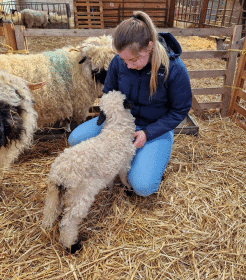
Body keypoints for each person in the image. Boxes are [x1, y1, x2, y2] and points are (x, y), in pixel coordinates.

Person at [68, 11, 192, 197]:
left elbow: (180, 110)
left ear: (149, 47)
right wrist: (108, 122)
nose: (128, 65)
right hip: (121, 121)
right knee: (75, 140)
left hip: (154, 128)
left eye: (133, 60)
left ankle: (143, 157)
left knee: (143, 187)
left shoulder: (174, 69)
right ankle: (124, 156)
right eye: (124, 59)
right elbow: (109, 92)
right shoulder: (120, 62)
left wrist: (147, 133)